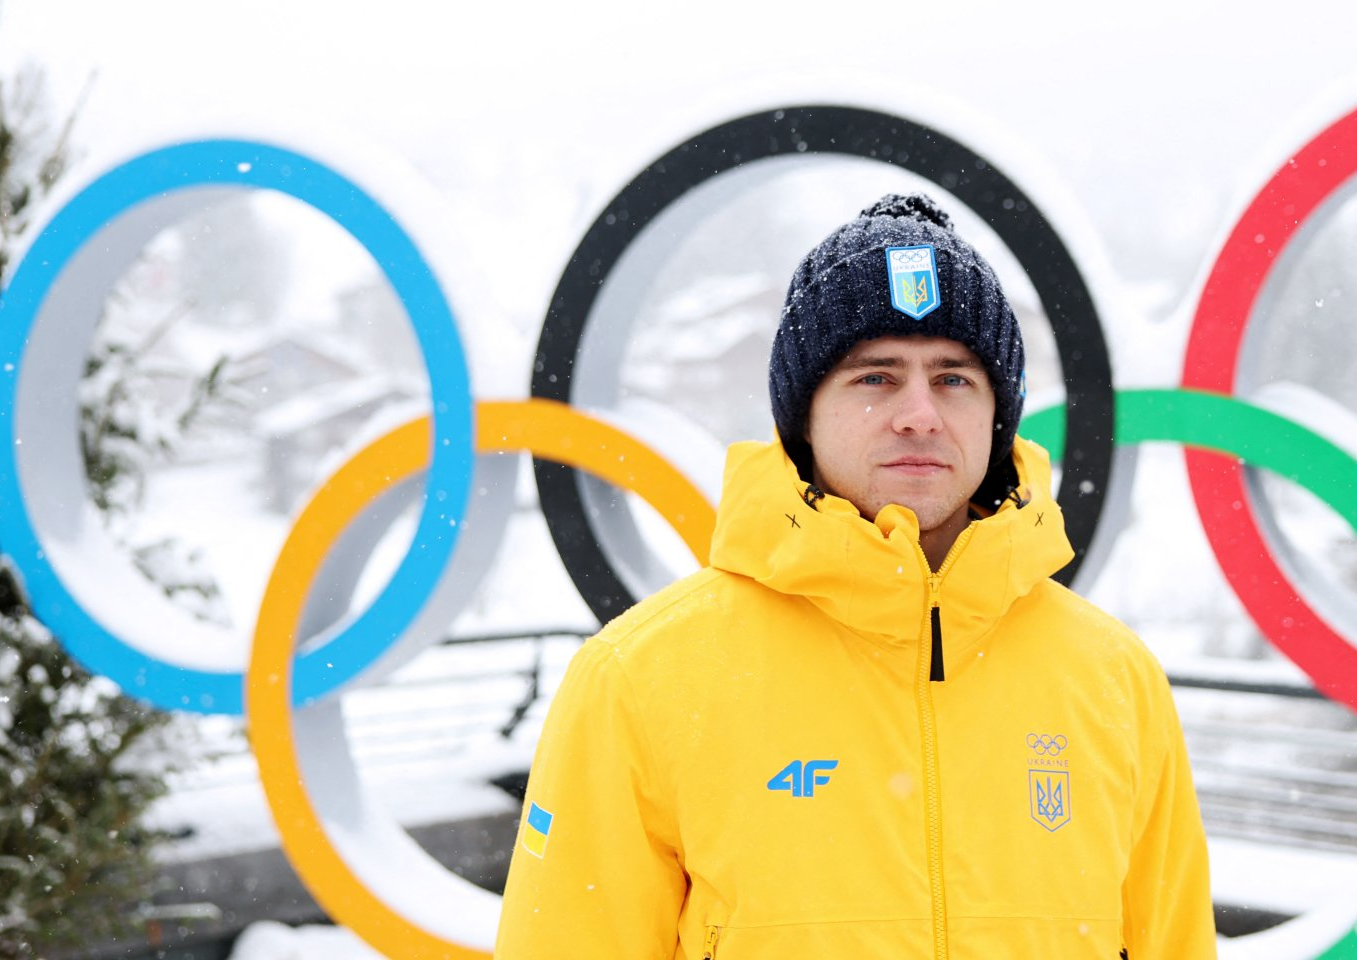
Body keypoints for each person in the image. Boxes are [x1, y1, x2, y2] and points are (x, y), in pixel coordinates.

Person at [495, 193, 1215, 958]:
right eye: (875, 377)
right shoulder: (639, 679)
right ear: (802, 415)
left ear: (998, 415)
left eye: (954, 378)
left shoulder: (1115, 680)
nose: (918, 414)